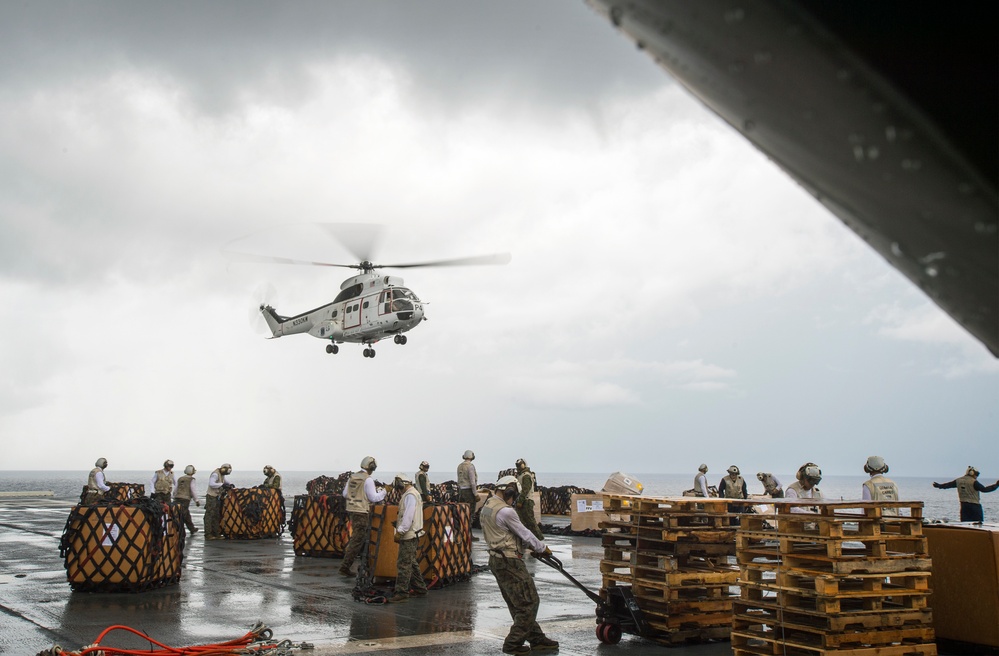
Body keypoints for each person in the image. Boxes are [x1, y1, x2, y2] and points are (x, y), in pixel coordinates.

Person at [480, 476, 559, 655]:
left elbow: (503, 532)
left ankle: (537, 638)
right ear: (508, 491)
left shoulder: (488, 506)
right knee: (530, 602)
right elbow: (525, 533)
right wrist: (543, 548)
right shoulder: (506, 511)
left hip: (495, 559)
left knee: (517, 603)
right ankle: (513, 643)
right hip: (509, 561)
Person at [339, 456, 386, 577]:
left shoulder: (353, 477)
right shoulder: (368, 479)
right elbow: (373, 498)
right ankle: (345, 567)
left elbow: (345, 494)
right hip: (361, 512)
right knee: (357, 540)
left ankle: (361, 564)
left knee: (358, 538)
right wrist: (385, 491)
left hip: (351, 510)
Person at [387, 474, 429, 603]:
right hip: (413, 533)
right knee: (411, 561)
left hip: (409, 534)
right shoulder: (413, 494)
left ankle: (402, 592)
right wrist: (399, 523)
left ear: (401, 485)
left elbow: (409, 515)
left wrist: (400, 530)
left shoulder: (410, 495)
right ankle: (420, 588)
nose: (398, 491)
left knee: (404, 564)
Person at [933, 466, 999, 522]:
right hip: (975, 506)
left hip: (964, 506)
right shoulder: (973, 482)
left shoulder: (958, 480)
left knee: (965, 524)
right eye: (976, 474)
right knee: (978, 524)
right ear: (972, 473)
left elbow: (947, 485)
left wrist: (939, 486)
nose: (976, 476)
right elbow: (985, 489)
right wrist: (996, 485)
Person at [515, 458, 544, 540]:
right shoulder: (521, 475)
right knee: (522, 522)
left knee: (530, 521)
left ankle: (539, 538)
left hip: (526, 501)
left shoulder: (526, 475)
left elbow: (525, 490)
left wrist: (520, 501)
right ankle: (527, 539)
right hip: (523, 500)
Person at [204, 463, 233, 539]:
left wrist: (230, 484)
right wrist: (221, 485)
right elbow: (212, 484)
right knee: (209, 515)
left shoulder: (222, 475)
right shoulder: (215, 474)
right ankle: (208, 534)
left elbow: (225, 481)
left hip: (217, 497)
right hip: (211, 496)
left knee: (216, 515)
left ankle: (216, 533)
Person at [457, 450, 479, 540]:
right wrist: (475, 494)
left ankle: (461, 533)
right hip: (469, 492)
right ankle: (469, 534)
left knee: (462, 513)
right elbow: (472, 482)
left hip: (461, 491)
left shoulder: (459, 466)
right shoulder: (470, 466)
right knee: (470, 513)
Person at [175, 465, 200, 535]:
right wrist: (196, 500)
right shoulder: (192, 479)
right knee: (183, 514)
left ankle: (192, 528)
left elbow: (176, 489)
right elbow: (193, 490)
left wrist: (174, 496)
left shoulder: (180, 478)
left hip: (177, 497)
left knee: (185, 514)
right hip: (185, 499)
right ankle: (180, 530)